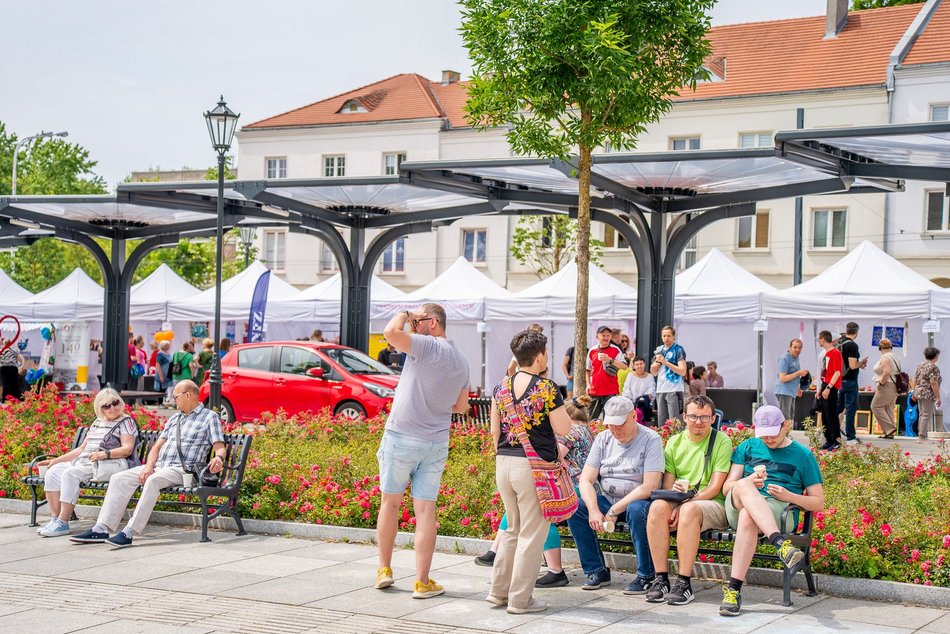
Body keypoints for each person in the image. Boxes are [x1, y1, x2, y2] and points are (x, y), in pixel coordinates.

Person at [374, 304, 470, 599]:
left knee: (390, 503)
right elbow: (461, 406)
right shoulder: (462, 360)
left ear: (433, 323)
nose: (414, 326)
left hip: (402, 433)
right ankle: (422, 581)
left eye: (418, 321)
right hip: (435, 441)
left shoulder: (427, 346)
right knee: (426, 510)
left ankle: (384, 569)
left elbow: (390, 332)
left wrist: (405, 313)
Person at [70, 381, 224, 547]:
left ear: (188, 395)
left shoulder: (210, 417)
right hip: (160, 467)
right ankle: (101, 528)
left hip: (182, 470)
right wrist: (149, 466)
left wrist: (219, 459)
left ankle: (129, 532)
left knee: (152, 480)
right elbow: (156, 447)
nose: (173, 400)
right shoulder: (175, 418)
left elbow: (220, 448)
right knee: (119, 478)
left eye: (175, 397)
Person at [487, 329, 572, 614]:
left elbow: (495, 432)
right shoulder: (546, 388)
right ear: (539, 357)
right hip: (533, 468)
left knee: (512, 530)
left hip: (504, 463)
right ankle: (520, 600)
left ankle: (498, 593)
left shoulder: (500, 387)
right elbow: (564, 428)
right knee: (532, 535)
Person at [475, 396, 594, 590]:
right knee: (524, 503)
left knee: (543, 510)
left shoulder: (570, 433)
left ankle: (555, 570)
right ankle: (495, 551)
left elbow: (552, 457)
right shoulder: (586, 431)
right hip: (581, 488)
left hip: (572, 488)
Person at [718, 405, 824, 617]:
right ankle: (780, 544)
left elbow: (818, 502)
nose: (768, 439)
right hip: (738, 505)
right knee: (742, 485)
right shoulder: (748, 447)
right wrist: (749, 481)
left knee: (749, 515)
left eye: (773, 434)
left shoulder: (803, 455)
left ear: (786, 426)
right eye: (764, 435)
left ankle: (733, 591)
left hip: (779, 510)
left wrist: (790, 496)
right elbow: (727, 487)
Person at [566, 396, 663, 592]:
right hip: (609, 500)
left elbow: (649, 486)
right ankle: (596, 570)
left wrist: (614, 510)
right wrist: (594, 510)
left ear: (633, 416)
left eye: (620, 424)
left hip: (639, 502)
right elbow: (586, 480)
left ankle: (646, 575)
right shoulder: (603, 438)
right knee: (577, 507)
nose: (615, 430)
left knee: (636, 510)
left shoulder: (650, 439)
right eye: (610, 424)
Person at [645, 395, 732, 605]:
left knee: (689, 510)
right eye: (693, 416)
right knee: (657, 507)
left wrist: (685, 504)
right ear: (684, 417)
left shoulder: (721, 440)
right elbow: (668, 486)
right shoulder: (674, 442)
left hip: (712, 504)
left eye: (704, 417)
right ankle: (661, 578)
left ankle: (684, 583)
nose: (698, 422)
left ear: (713, 419)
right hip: (682, 500)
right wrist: (676, 495)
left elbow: (715, 487)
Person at [35, 389, 138, 537]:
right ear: (99, 408)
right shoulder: (97, 422)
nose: (112, 408)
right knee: (53, 472)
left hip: (106, 464)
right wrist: (55, 460)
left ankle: (63, 522)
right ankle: (55, 519)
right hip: (84, 462)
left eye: (115, 403)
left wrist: (104, 454)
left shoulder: (126, 421)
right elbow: (81, 449)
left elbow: (127, 449)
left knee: (70, 474)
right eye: (106, 406)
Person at [586, 326, 628, 421]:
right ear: (597, 337)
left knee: (609, 419)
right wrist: (588, 384)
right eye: (603, 335)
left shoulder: (616, 350)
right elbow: (587, 369)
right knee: (591, 419)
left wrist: (610, 359)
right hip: (595, 390)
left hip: (611, 391)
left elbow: (625, 366)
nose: (606, 338)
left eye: (608, 335)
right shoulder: (592, 351)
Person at [836, 323, 867, 445]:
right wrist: (861, 363)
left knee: (838, 408)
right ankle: (851, 437)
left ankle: (833, 434)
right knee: (850, 409)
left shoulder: (840, 342)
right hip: (850, 381)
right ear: (856, 332)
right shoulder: (852, 345)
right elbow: (853, 365)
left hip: (839, 380)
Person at [651, 325, 687, 425]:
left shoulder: (678, 349)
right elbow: (654, 373)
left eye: (668, 336)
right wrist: (654, 366)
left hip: (675, 389)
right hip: (661, 389)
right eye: (664, 336)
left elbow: (683, 371)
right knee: (662, 423)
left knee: (676, 423)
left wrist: (666, 362)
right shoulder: (659, 351)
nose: (666, 338)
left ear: (673, 336)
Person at [816, 330, 843, 451]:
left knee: (831, 414)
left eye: (819, 339)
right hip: (826, 384)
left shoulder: (835, 353)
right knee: (825, 415)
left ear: (823, 339)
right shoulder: (828, 353)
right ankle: (829, 439)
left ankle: (836, 440)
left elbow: (837, 372)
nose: (819, 341)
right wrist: (821, 388)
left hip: (830, 386)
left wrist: (828, 387)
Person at [870, 338, 900, 439]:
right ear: (891, 347)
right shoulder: (895, 357)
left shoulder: (885, 357)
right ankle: (889, 432)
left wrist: (881, 384)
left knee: (875, 406)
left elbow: (887, 372)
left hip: (887, 385)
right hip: (895, 385)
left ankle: (889, 428)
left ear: (880, 347)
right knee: (888, 407)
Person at [913, 346, 942, 443]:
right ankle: (922, 436)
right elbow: (933, 383)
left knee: (922, 414)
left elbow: (915, 379)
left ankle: (921, 435)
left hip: (919, 391)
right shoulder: (933, 367)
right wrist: (938, 397)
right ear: (936, 356)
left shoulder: (920, 365)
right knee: (926, 415)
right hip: (927, 393)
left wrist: (914, 391)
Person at [775, 339, 808, 421]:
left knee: (791, 417)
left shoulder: (796, 357)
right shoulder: (784, 359)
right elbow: (782, 378)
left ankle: (789, 430)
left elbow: (794, 373)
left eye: (800, 347)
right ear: (789, 347)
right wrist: (798, 373)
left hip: (791, 391)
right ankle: (784, 430)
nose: (797, 350)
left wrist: (798, 388)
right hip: (784, 391)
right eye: (795, 347)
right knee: (785, 418)